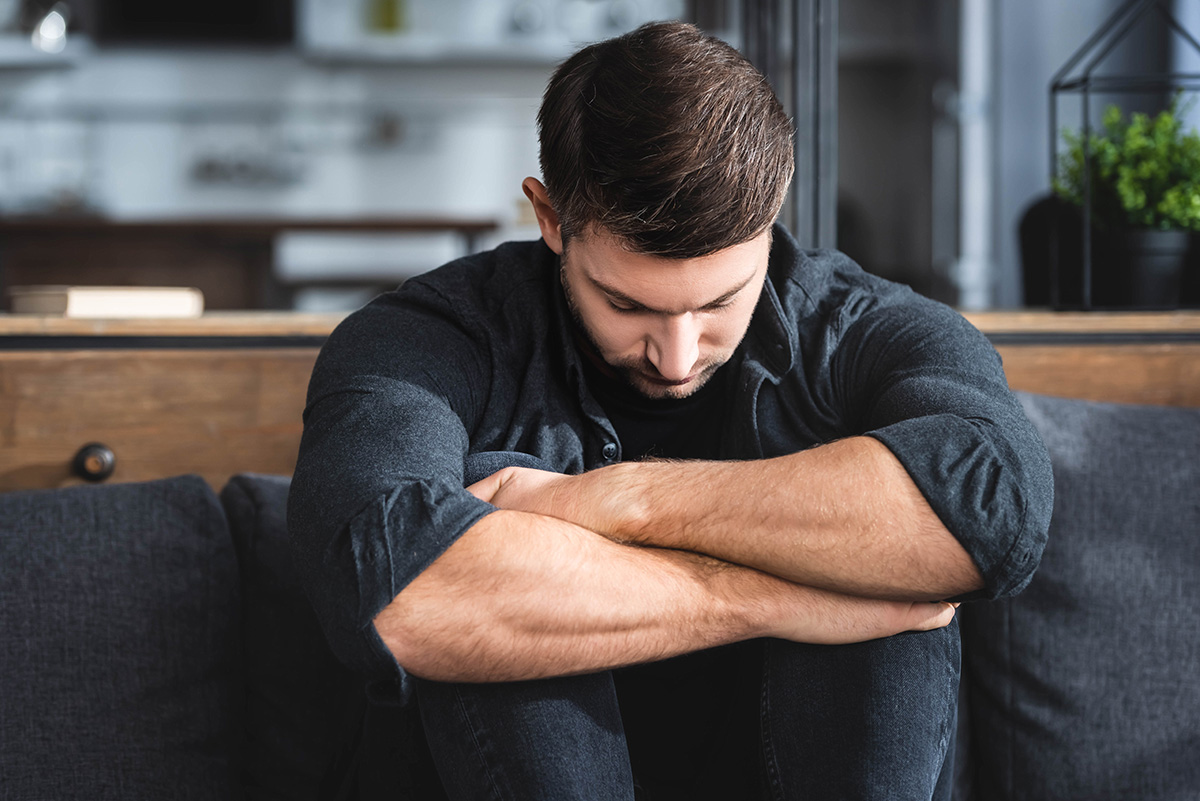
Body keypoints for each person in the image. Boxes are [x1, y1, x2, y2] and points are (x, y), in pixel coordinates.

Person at [289, 21, 1053, 801]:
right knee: (485, 536)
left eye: (720, 302)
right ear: (550, 218)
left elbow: (993, 510)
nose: (678, 358)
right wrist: (777, 598)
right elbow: (396, 591)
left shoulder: (862, 328)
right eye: (627, 304)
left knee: (884, 540)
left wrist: (620, 499)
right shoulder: (431, 336)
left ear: (773, 215)